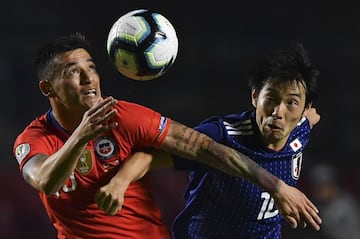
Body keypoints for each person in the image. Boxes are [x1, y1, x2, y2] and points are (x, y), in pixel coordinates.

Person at [13, 33, 321, 239]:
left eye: (91, 67)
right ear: (48, 88)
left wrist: (277, 186)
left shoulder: (125, 116)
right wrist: (83, 133)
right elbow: (45, 181)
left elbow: (205, 149)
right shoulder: (35, 138)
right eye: (72, 71)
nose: (88, 77)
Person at [169, 43, 322, 239]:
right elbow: (159, 148)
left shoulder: (299, 130)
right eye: (271, 99)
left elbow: (311, 117)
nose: (278, 113)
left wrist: (307, 117)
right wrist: (122, 181)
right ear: (255, 97)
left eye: (291, 102)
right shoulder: (221, 135)